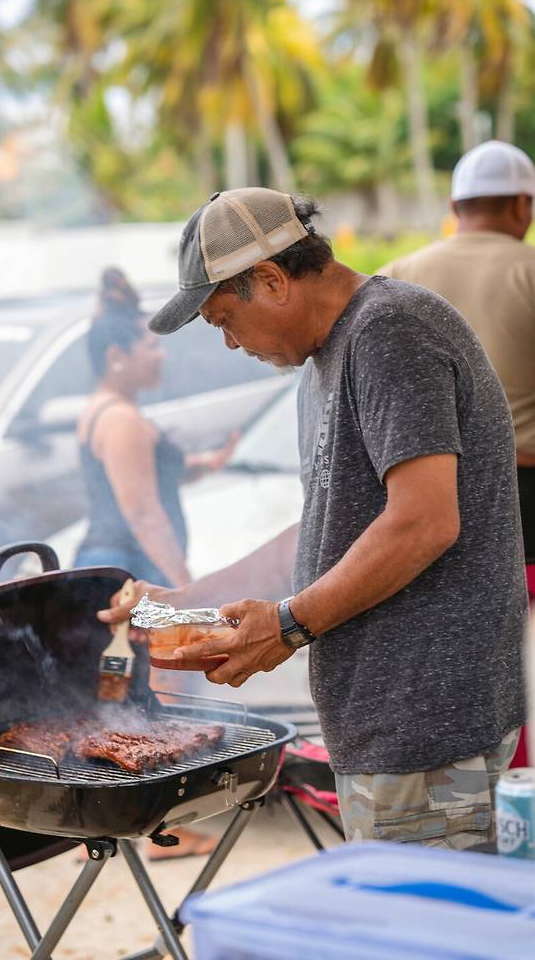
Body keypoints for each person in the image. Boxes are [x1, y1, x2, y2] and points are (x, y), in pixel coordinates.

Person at [98, 187, 527, 849]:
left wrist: (289, 624)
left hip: (427, 724)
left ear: (272, 280)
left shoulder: (390, 331)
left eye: (223, 319)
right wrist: (186, 603)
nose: (229, 342)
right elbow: (324, 530)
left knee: (419, 916)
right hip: (385, 724)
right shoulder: (324, 360)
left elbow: (424, 521)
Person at [75, 266, 236, 859]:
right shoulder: (121, 420)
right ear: (117, 356)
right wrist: (188, 592)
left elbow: (145, 480)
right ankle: (161, 827)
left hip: (110, 568)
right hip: (133, 576)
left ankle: (101, 818)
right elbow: (143, 511)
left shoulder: (106, 410)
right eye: (149, 346)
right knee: (155, 697)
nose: (160, 355)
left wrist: (201, 467)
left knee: (117, 697)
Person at [378, 141, 535, 582]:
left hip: (417, 499)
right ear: (522, 204)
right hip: (525, 495)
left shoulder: (394, 277)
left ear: (454, 206)